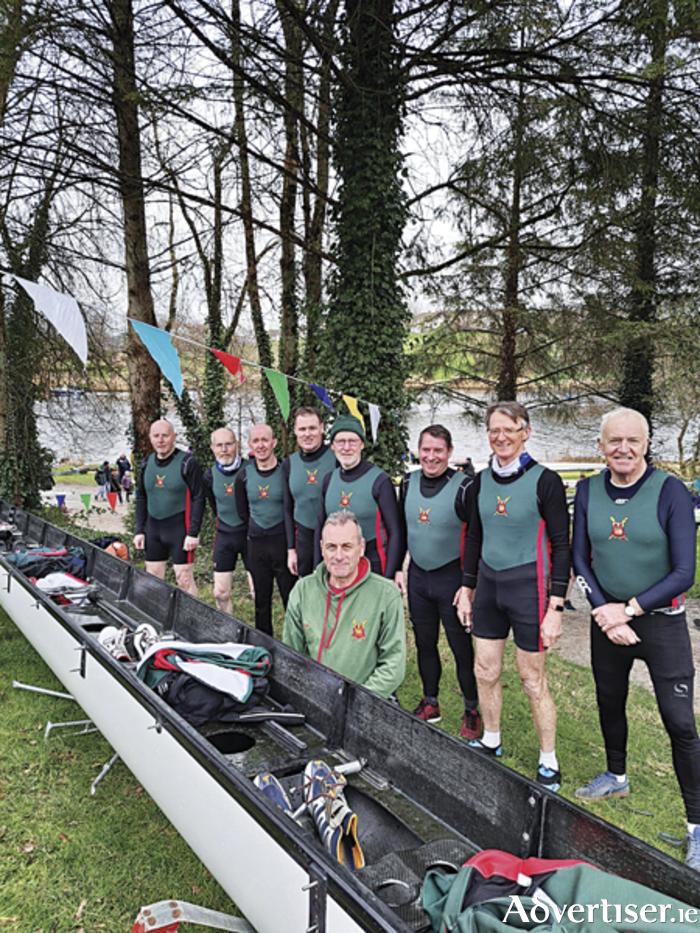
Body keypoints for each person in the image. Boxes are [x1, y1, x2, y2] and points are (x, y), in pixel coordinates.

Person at [572, 407, 700, 871]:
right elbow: (580, 558)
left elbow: (684, 570)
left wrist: (628, 610)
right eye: (614, 441)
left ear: (646, 444)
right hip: (607, 617)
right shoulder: (587, 490)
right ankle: (616, 775)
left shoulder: (672, 492)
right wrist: (605, 614)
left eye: (633, 440)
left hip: (659, 621)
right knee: (610, 699)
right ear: (601, 446)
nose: (623, 448)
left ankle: (697, 827)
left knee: (680, 723)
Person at [459, 401, 570, 792]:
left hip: (529, 589)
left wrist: (555, 607)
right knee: (485, 670)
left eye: (509, 429)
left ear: (526, 431)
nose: (501, 437)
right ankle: (491, 739)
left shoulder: (546, 481)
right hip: (489, 588)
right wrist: (467, 588)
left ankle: (548, 760)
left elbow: (561, 546)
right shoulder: (480, 482)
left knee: (531, 678)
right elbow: (474, 536)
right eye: (493, 430)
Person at [396, 424, 481, 739]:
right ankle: (431, 701)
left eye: (438, 451)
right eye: (426, 449)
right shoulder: (407, 482)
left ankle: (472, 709)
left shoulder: (465, 487)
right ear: (418, 450)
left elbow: (475, 537)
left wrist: (468, 584)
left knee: (461, 648)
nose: (431, 457)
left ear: (449, 452)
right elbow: (402, 532)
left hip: (452, 579)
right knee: (424, 643)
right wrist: (397, 569)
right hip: (419, 577)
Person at [284, 511, 406, 698]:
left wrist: (353, 701)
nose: (338, 556)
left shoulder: (386, 595)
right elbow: (291, 654)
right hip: (313, 697)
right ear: (322, 548)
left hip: (363, 703)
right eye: (332, 547)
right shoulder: (302, 590)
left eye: (347, 546)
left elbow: (393, 665)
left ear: (362, 547)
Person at [315, 414, 402, 579]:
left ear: (361, 444)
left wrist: (391, 574)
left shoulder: (380, 481)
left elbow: (395, 531)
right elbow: (320, 525)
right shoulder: (328, 480)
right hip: (338, 564)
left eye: (352, 441)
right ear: (332, 446)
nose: (346, 447)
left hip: (374, 566)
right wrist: (317, 567)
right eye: (341, 441)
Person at [235, 424, 295, 636]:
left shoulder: (286, 472)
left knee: (291, 598)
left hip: (282, 542)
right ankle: (264, 644)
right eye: (256, 441)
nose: (261, 445)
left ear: (274, 443)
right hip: (257, 543)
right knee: (261, 600)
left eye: (265, 440)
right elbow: (241, 510)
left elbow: (292, 507)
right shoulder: (244, 475)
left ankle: (295, 645)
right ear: (250, 445)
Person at [133, 419, 204, 596]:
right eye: (156, 436)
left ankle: (192, 622)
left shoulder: (187, 463)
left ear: (174, 437)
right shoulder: (146, 463)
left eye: (165, 435)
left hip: (180, 530)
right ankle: (157, 620)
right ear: (150, 438)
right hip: (154, 530)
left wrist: (193, 533)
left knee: (184, 580)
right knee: (153, 579)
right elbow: (141, 497)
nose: (161, 440)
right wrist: (139, 530)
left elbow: (199, 498)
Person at [282, 406, 336, 578]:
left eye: (312, 428)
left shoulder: (336, 458)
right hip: (303, 536)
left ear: (322, 428)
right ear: (295, 432)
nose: (307, 434)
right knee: (308, 588)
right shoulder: (289, 464)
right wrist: (291, 549)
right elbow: (287, 509)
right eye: (302, 429)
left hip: (334, 535)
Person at [203, 427, 249, 614]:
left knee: (258, 591)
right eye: (219, 445)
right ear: (212, 448)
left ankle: (262, 634)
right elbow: (214, 505)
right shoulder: (209, 476)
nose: (224, 449)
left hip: (250, 535)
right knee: (221, 593)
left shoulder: (250, 469)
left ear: (236, 445)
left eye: (228, 444)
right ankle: (228, 634)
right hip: (224, 535)